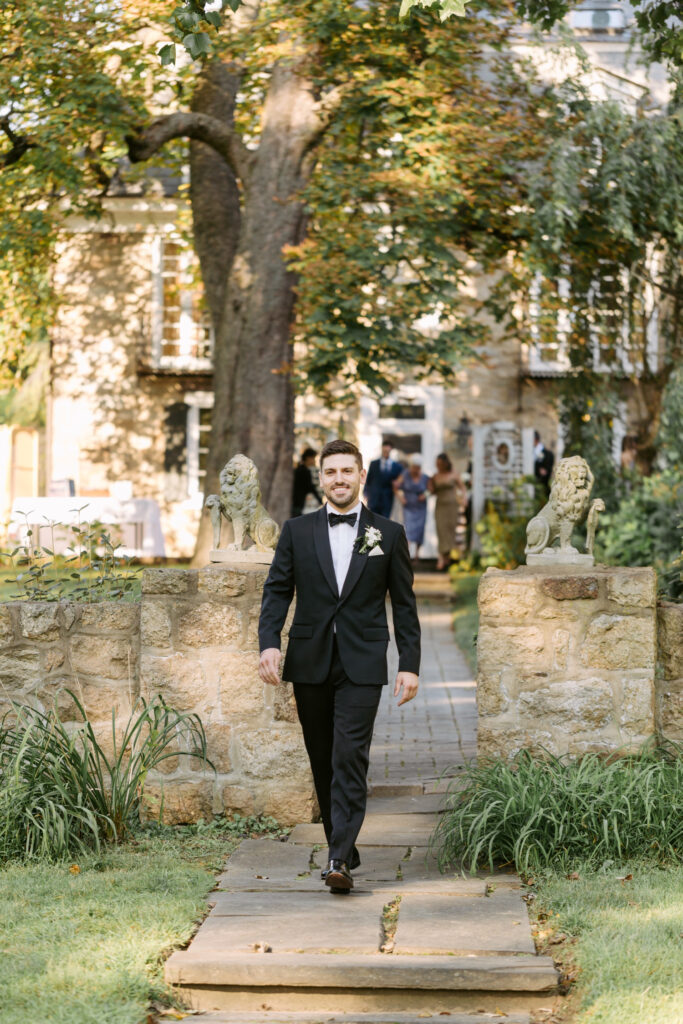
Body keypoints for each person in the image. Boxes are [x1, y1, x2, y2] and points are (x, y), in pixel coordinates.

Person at [259, 439, 420, 895]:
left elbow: (404, 605)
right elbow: (277, 591)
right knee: (323, 757)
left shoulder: (386, 534)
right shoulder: (296, 530)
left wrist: (410, 663)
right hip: (309, 659)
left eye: (347, 471)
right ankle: (343, 845)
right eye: (331, 472)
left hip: (362, 662)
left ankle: (336, 860)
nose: (339, 479)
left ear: (361, 476)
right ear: (321, 478)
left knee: (350, 755)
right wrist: (269, 644)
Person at [428, 452, 465, 571]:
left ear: (445, 463)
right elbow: (432, 492)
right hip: (440, 506)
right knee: (441, 530)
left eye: (440, 464)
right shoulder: (435, 476)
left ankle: (447, 557)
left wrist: (464, 499)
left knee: (450, 530)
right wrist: (429, 485)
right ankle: (441, 558)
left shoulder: (454, 474)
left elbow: (462, 487)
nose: (438, 466)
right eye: (436, 464)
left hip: (452, 506)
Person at [395, 453, 429, 561]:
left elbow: (431, 489)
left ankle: (417, 556)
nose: (416, 470)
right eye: (414, 467)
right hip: (408, 507)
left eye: (418, 468)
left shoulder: (425, 477)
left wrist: (425, 495)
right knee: (408, 531)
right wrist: (401, 498)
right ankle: (407, 556)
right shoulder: (405, 474)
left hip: (420, 508)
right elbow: (395, 486)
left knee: (419, 531)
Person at [363, 441, 402, 518]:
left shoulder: (397, 466)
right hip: (374, 499)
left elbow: (400, 482)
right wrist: (365, 493)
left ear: (391, 451)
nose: (386, 453)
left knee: (385, 521)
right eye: (384, 451)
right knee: (372, 520)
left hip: (388, 499)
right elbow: (369, 480)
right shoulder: (374, 463)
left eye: (387, 451)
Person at [291, 447, 322, 518]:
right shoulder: (304, 471)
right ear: (308, 458)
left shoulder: (299, 469)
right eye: (313, 458)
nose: (314, 461)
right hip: (298, 502)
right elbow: (310, 487)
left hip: (296, 502)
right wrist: (319, 499)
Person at [533, 431, 555, 495]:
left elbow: (546, 471)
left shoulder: (548, 454)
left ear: (535, 440)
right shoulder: (531, 452)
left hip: (542, 488)